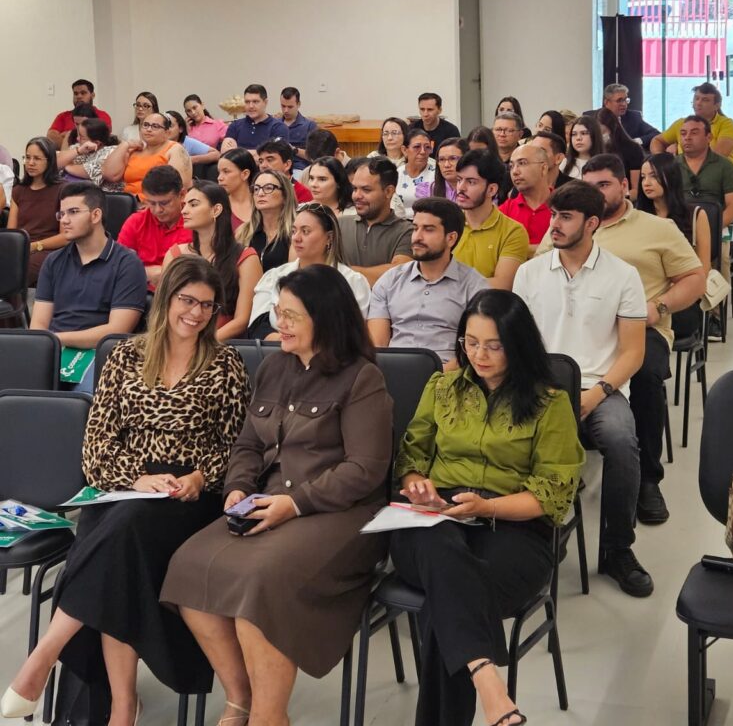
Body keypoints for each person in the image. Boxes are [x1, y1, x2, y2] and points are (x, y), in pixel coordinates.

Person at [1, 257, 250, 724]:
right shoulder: (124, 356)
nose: (197, 313)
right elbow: (96, 444)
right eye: (188, 300)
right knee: (118, 540)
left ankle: (49, 660)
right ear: (167, 298)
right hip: (125, 486)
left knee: (118, 538)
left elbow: (237, 447)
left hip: (190, 495)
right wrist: (136, 478)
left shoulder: (226, 364)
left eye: (207, 306)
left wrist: (199, 477)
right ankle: (117, 701)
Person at [161, 265, 392, 726]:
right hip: (267, 501)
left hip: (337, 513)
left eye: (290, 316)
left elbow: (365, 470)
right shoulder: (273, 366)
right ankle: (241, 699)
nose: (278, 323)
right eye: (277, 312)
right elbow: (248, 444)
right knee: (187, 567)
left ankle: (269, 717)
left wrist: (295, 503)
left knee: (260, 587)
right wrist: (238, 488)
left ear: (324, 319)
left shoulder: (361, 377)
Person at [390, 290, 583, 726]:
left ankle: (481, 677)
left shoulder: (549, 403)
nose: (479, 355)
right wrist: (418, 487)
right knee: (442, 551)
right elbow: (411, 456)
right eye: (471, 342)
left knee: (450, 597)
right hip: (434, 516)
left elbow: (553, 494)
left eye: (494, 345)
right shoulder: (442, 387)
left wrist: (487, 507)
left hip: (512, 526)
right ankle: (488, 682)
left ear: (518, 344)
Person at [514, 181, 651, 597]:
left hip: (599, 388)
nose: (554, 224)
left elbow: (633, 353)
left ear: (592, 223)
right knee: (509, 437)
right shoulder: (530, 272)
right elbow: (518, 343)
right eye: (554, 215)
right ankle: (535, 536)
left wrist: (597, 394)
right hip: (539, 386)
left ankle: (617, 549)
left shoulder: (623, 275)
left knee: (622, 442)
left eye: (566, 217)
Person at [570, 155, 705, 524]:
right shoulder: (571, 224)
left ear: (624, 186)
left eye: (604, 185)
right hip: (579, 331)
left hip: (642, 328)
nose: (595, 194)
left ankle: (647, 478)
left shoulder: (658, 228)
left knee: (644, 375)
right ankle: (561, 465)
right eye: (588, 187)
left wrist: (658, 307)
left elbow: (695, 279)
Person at [30, 183, 146, 392]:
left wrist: (55, 339)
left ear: (96, 215)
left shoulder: (127, 263)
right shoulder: (53, 261)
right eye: (62, 213)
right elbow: (38, 323)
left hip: (100, 352)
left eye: (73, 212)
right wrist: (47, 345)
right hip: (56, 349)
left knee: (84, 395)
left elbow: (116, 331)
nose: (64, 220)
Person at [368, 196, 486, 363]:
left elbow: (474, 350)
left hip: (447, 374)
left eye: (428, 230)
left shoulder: (475, 286)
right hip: (393, 371)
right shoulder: (390, 281)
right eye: (415, 228)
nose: (417, 237)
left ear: (451, 238)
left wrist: (435, 375)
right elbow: (378, 345)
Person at [248, 203, 370, 337]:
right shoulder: (274, 276)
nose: (296, 238)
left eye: (305, 231)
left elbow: (352, 332)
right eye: (293, 231)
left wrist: (303, 342)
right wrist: (285, 340)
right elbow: (257, 326)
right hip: (278, 347)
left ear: (329, 238)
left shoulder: (352, 281)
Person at [163, 181, 263, 341]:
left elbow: (242, 320)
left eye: (193, 204)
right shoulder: (175, 255)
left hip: (222, 342)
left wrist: (203, 343)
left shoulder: (246, 258)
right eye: (184, 205)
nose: (184, 210)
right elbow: (163, 308)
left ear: (216, 210)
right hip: (177, 338)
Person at [453, 149, 528, 289]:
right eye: (459, 180)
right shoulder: (446, 223)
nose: (461, 188)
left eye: (471, 182)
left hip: (487, 303)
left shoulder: (512, 231)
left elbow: (503, 284)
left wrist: (449, 286)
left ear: (492, 190)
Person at [339, 157, 412, 286]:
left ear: (388, 191)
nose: (356, 195)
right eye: (354, 188)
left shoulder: (407, 232)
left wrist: (340, 272)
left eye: (366, 190)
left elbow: (398, 275)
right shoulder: (339, 224)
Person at [117, 166, 192, 289]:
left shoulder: (196, 223)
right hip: (138, 291)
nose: (158, 210)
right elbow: (118, 266)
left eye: (164, 203)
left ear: (182, 194)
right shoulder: (135, 222)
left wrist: (160, 273)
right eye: (151, 203)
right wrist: (147, 273)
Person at [638, 153, 711, 272]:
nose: (646, 183)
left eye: (654, 176)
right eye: (643, 177)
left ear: (671, 177)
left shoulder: (696, 215)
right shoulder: (638, 215)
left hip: (688, 278)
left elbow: (704, 266)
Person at [8, 136, 65, 285]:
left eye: (37, 158)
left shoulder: (63, 190)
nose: (30, 163)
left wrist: (35, 246)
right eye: (27, 158)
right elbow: (12, 232)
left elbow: (66, 236)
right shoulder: (19, 190)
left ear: (50, 161)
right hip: (21, 246)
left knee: (20, 268)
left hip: (49, 249)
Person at [103, 112, 192, 201]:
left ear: (167, 132)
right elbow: (110, 175)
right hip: (129, 202)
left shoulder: (175, 149)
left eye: (155, 126)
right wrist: (125, 145)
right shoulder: (134, 149)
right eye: (145, 125)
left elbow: (178, 186)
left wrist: (146, 201)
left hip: (158, 203)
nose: (149, 129)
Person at [650, 82, 733, 167]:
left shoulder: (727, 124)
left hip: (719, 173)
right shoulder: (681, 123)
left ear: (717, 105)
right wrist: (662, 161)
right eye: (696, 98)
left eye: (705, 100)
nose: (698, 103)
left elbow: (718, 156)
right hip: (684, 173)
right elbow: (657, 141)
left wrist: (678, 158)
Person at [676, 116, 733, 228]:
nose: (687, 137)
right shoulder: (670, 166)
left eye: (694, 133)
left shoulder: (726, 166)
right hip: (677, 226)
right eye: (683, 134)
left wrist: (711, 228)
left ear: (709, 137)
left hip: (715, 225)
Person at [236, 169, 297, 272]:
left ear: (285, 195)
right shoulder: (243, 232)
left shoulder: (295, 233)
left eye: (268, 188)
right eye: (256, 189)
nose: (260, 193)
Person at [499, 143, 552, 247]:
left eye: (522, 163)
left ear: (543, 168)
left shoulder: (563, 206)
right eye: (511, 166)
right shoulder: (504, 211)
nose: (515, 172)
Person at [56, 118, 123, 192]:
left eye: (81, 137)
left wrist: (65, 165)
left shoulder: (111, 151)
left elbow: (90, 171)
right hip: (73, 190)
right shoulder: (78, 147)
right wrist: (78, 151)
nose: (77, 139)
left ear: (96, 143)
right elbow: (55, 161)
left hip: (102, 195)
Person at [585, 83, 659, 148]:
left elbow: (655, 134)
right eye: (619, 100)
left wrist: (635, 142)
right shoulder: (590, 117)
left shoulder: (633, 117)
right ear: (607, 102)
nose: (624, 104)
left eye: (626, 100)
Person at [47, 79, 112, 146]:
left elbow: (102, 139)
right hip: (67, 151)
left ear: (92, 95)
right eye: (76, 94)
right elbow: (51, 136)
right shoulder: (63, 116)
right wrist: (71, 146)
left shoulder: (102, 115)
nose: (79, 96)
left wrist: (67, 135)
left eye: (83, 93)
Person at [596, 108, 644, 200]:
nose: (603, 137)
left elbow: (636, 190)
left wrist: (617, 199)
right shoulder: (595, 149)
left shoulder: (632, 149)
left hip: (625, 199)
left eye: (604, 132)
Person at [222, 84, 282, 155]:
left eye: (255, 102)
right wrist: (258, 153)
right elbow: (225, 153)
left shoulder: (278, 127)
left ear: (265, 102)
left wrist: (236, 151)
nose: (251, 106)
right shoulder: (235, 125)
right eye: (247, 102)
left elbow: (273, 157)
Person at [274, 87, 317, 170]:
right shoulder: (275, 124)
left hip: (298, 168)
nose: (286, 110)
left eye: (290, 107)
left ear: (298, 104)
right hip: (276, 167)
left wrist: (294, 150)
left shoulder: (309, 125)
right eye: (283, 106)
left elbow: (315, 156)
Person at [397, 128, 436, 217]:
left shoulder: (436, 174)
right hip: (399, 222)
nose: (422, 152)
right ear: (404, 150)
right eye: (417, 147)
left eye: (427, 147)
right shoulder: (397, 173)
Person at [416, 136, 468, 202]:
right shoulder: (428, 190)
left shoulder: (476, 190)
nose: (446, 165)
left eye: (453, 158)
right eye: (441, 159)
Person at [217, 148, 257, 231]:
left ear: (245, 174)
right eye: (219, 172)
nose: (219, 178)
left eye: (226, 171)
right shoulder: (217, 206)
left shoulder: (263, 202)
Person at [560, 115, 604, 180]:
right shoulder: (565, 164)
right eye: (574, 134)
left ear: (594, 135)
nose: (578, 138)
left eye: (584, 133)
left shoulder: (605, 164)